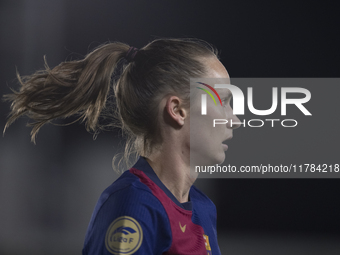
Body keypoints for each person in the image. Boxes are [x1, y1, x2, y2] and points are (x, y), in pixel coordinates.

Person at [3, 38, 240, 254]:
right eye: (223, 102)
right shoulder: (134, 205)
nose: (234, 120)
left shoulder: (203, 208)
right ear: (177, 110)